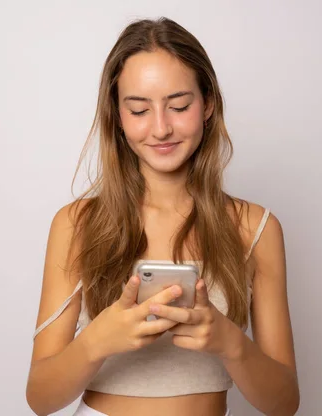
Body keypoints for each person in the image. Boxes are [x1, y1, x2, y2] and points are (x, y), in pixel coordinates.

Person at [26, 17, 299, 416]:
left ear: (207, 105)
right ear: (117, 116)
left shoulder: (254, 229)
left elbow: (284, 403)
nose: (161, 128)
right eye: (139, 109)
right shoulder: (77, 224)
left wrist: (230, 342)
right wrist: (96, 341)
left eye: (179, 106)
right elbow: (40, 398)